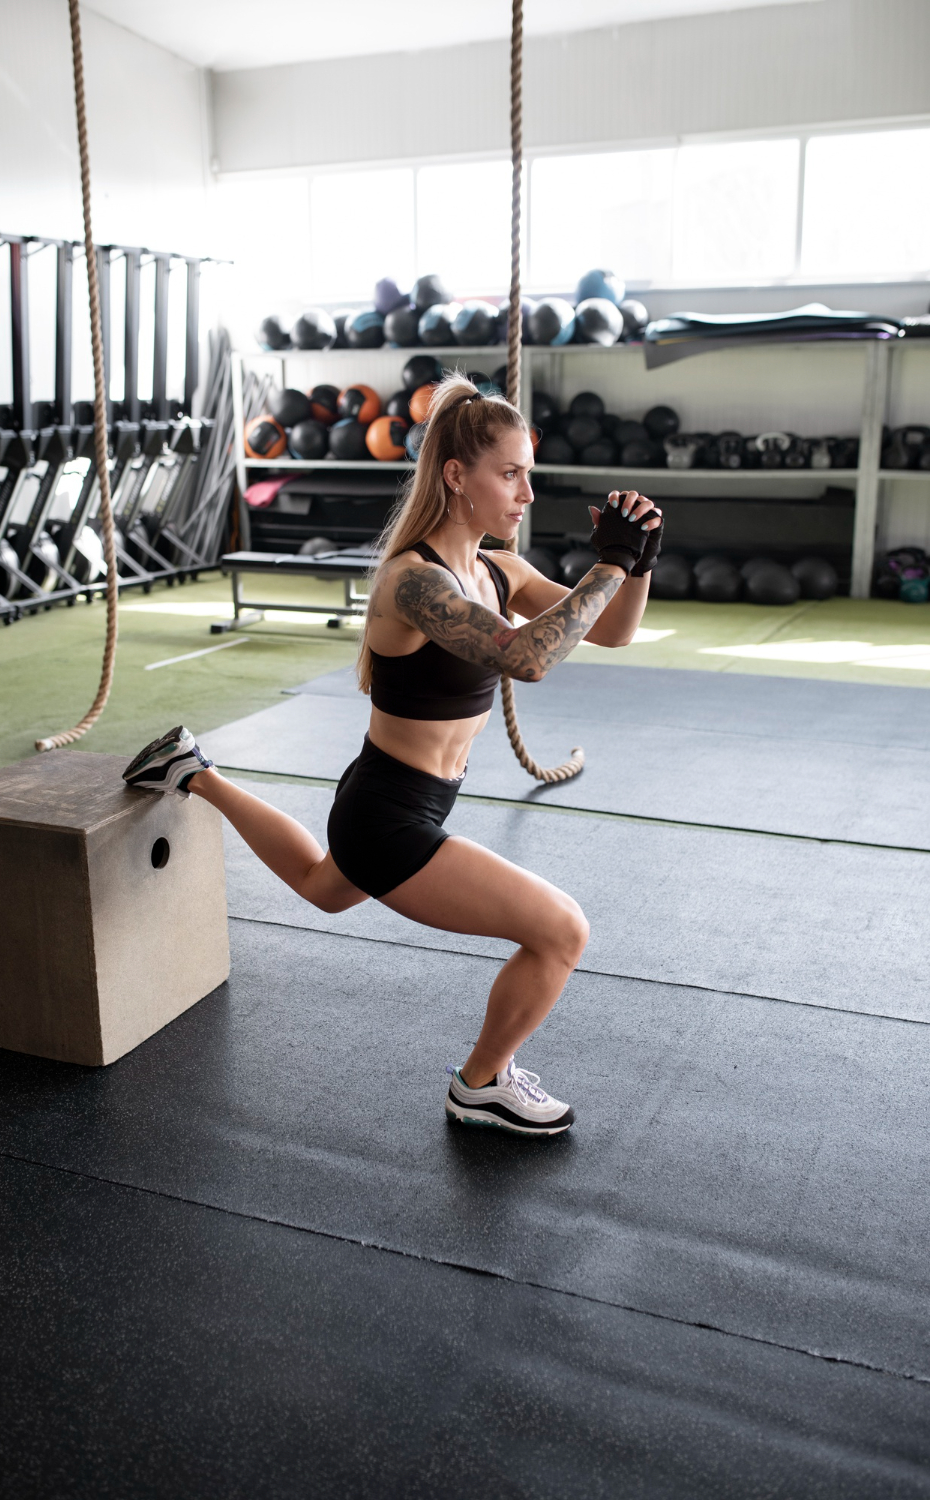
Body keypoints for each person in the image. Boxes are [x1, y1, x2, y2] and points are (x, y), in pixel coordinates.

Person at [123, 374, 663, 1136]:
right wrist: (605, 567)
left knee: (323, 885)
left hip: (392, 798)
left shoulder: (497, 569)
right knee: (560, 930)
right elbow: (529, 657)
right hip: (388, 817)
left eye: (527, 473)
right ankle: (480, 1083)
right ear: (456, 476)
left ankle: (192, 771)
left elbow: (612, 632)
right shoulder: (412, 583)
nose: (526, 492)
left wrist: (636, 562)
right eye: (509, 472)